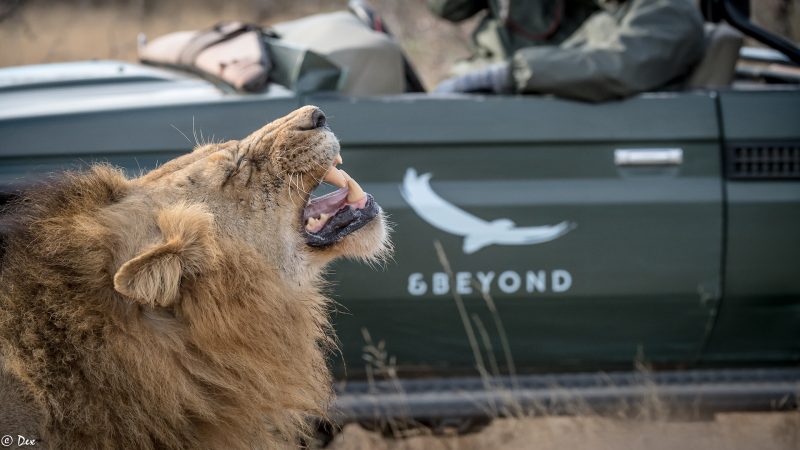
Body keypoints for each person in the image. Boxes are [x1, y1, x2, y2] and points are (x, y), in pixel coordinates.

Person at [433, 0, 706, 102]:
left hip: (626, 136)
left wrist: (510, 74)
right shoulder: (617, 15)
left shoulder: (668, 12)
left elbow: (615, 68)